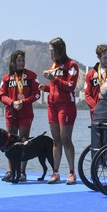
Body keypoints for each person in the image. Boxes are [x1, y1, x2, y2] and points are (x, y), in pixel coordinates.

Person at [39, 37, 79, 185]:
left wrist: (54, 79)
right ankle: (55, 172)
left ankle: (72, 172)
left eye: (53, 51)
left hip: (66, 106)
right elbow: (56, 88)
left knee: (66, 139)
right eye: (49, 51)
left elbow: (70, 86)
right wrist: (46, 88)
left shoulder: (72, 65)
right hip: (52, 105)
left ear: (60, 50)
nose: (51, 54)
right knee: (56, 140)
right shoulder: (54, 64)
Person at [0, 50, 40, 182]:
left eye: (23, 60)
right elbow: (1, 95)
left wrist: (23, 102)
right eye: (19, 60)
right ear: (13, 62)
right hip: (11, 114)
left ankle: (22, 172)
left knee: (23, 142)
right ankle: (11, 171)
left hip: (25, 114)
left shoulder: (31, 76)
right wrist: (12, 102)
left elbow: (37, 94)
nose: (22, 63)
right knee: (9, 143)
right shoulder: (6, 78)